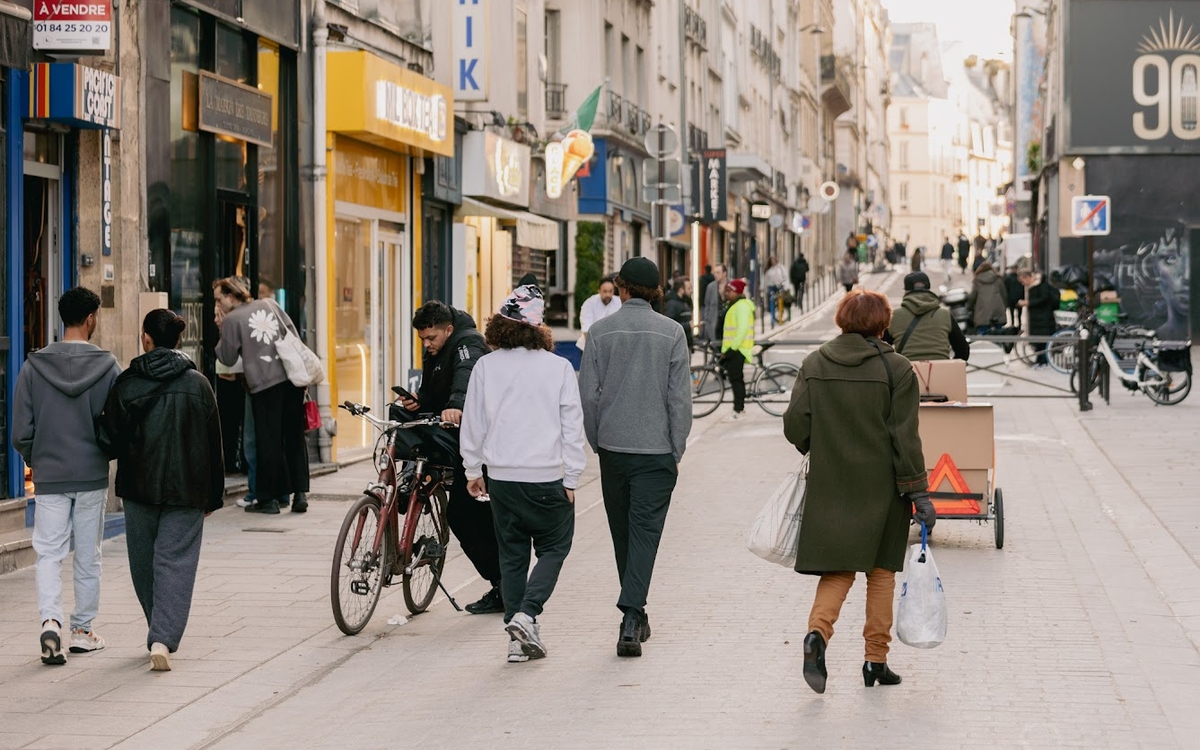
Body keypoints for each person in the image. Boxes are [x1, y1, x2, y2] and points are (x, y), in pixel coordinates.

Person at [783, 290, 935, 694]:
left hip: (831, 486)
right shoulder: (897, 369)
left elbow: (795, 425)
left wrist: (824, 446)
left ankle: (817, 635)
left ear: (842, 320)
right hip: (884, 490)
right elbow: (905, 439)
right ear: (883, 324)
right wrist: (919, 493)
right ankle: (875, 661)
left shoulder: (815, 363)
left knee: (838, 571)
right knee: (882, 574)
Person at [460, 285, 585, 664]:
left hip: (502, 478)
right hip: (546, 476)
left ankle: (517, 643)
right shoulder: (559, 367)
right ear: (538, 327)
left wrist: (472, 468)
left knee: (512, 556)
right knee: (555, 547)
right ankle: (527, 615)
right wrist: (572, 477)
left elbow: (473, 422)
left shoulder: (485, 366)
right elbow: (571, 425)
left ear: (500, 325)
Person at [96, 310, 223, 672]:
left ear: (145, 338)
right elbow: (215, 445)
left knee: (144, 564)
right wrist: (213, 497)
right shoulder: (199, 384)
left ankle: (160, 629)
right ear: (177, 341)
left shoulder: (127, 383)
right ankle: (163, 637)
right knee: (176, 562)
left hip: (139, 489)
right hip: (188, 489)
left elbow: (108, 441)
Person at [579, 257, 692, 658]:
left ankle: (635, 612)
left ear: (621, 288)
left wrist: (598, 442)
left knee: (623, 533)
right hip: (656, 450)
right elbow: (679, 399)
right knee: (645, 532)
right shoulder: (672, 332)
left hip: (614, 450)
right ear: (657, 292)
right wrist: (676, 446)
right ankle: (632, 616)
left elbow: (588, 397)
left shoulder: (599, 331)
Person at [12, 286, 121, 665]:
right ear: (91, 319)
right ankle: (83, 631)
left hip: (50, 475)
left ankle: (50, 621)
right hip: (91, 474)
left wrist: (39, 457)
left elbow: (20, 432)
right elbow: (119, 425)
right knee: (88, 555)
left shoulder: (33, 366)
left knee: (47, 552)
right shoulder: (109, 366)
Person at [395, 301, 503, 614]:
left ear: (448, 330)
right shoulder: (435, 350)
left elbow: (466, 376)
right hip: (452, 434)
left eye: (432, 338)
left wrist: (456, 403)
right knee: (399, 418)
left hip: (473, 443)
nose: (427, 345)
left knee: (466, 516)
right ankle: (408, 481)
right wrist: (418, 400)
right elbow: (433, 390)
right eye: (422, 340)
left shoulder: (468, 343)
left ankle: (504, 585)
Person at [214, 277, 310, 515]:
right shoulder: (269, 304)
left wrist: (221, 329)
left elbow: (225, 358)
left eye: (218, 299)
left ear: (231, 296)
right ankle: (299, 495)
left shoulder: (232, 320)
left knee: (268, 441)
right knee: (294, 437)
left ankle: (269, 500)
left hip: (264, 385)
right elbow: (292, 333)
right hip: (291, 379)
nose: (217, 305)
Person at [887, 272, 970, 362]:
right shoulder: (944, 314)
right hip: (941, 371)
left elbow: (882, 348)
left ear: (906, 291)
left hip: (906, 372)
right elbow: (963, 350)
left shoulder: (894, 316)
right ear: (928, 289)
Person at [721, 278, 756, 417]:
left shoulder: (741, 306)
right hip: (736, 348)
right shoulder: (736, 305)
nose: (727, 293)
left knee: (736, 380)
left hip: (738, 349)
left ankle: (738, 409)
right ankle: (739, 408)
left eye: (729, 291)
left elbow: (741, 330)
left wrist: (732, 348)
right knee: (736, 379)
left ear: (736, 292)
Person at [1019, 269, 1060, 367]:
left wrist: (1029, 303)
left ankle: (1043, 361)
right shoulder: (1033, 286)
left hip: (1043, 318)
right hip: (1037, 319)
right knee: (1039, 341)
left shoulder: (1041, 285)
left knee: (1043, 341)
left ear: (1028, 277)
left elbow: (1044, 299)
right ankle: (1040, 361)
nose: (1022, 283)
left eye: (1022, 281)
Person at [577, 274, 621, 350]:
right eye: (605, 291)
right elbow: (586, 331)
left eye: (610, 291)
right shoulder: (589, 303)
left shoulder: (619, 303)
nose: (608, 294)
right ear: (599, 291)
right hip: (590, 346)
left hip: (613, 348)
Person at [966, 261, 1009, 335]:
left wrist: (969, 307)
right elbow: (1004, 295)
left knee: (983, 335)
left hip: (982, 313)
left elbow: (972, 297)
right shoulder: (998, 278)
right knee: (999, 335)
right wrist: (1004, 308)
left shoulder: (977, 280)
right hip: (998, 311)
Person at [663, 277, 695, 351]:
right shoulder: (672, 305)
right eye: (689, 288)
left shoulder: (686, 302)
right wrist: (688, 325)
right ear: (681, 290)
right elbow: (669, 326)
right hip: (678, 346)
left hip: (686, 343)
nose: (691, 291)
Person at [702, 263, 729, 343]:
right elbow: (707, 304)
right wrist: (707, 321)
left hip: (728, 321)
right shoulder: (710, 287)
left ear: (724, 273)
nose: (715, 275)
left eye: (718, 272)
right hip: (715, 322)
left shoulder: (731, 285)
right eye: (714, 273)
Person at [764, 256, 789, 326]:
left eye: (774, 261)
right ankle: (772, 318)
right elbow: (765, 280)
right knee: (771, 302)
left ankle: (780, 317)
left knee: (780, 302)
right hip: (771, 287)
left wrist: (785, 285)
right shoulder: (768, 270)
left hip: (779, 287)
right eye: (771, 261)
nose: (773, 262)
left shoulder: (780, 268)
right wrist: (765, 289)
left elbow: (785, 277)